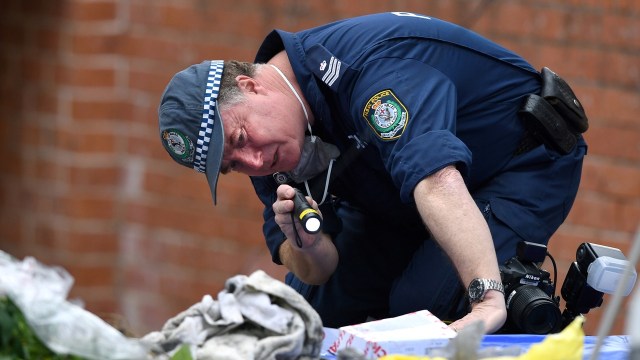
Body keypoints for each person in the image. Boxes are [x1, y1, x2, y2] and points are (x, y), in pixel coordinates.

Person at [157, 12, 588, 334]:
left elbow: (436, 180)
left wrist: (487, 300)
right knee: (304, 317)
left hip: (519, 163)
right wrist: (306, 243)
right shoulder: (271, 146)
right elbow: (315, 270)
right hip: (400, 195)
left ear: (251, 86)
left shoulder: (367, 69)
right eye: (232, 166)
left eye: (238, 139)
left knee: (421, 309)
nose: (250, 163)